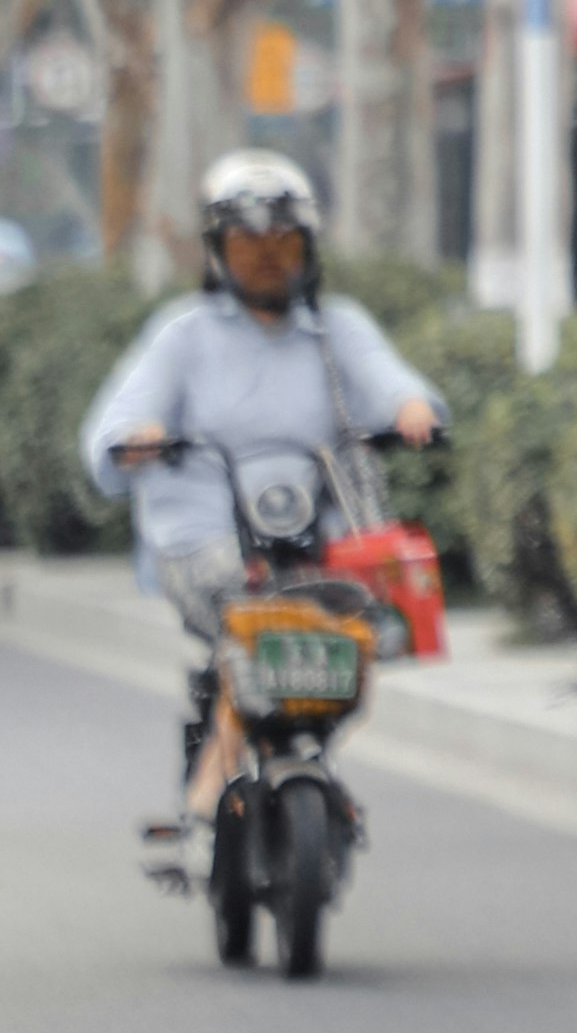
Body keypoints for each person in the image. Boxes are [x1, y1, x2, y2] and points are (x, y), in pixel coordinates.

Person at [81, 151, 446, 759]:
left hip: (320, 534)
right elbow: (113, 427)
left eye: (283, 241)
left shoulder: (339, 328)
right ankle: (205, 803)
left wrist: (412, 410)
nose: (267, 256)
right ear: (219, 252)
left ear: (308, 247)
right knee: (247, 619)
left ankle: (310, 766)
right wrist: (137, 437)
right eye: (248, 244)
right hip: (207, 537)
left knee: (354, 623)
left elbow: (396, 386)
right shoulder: (182, 334)